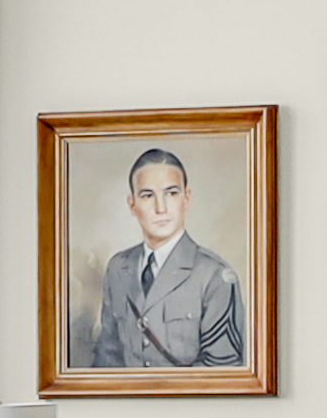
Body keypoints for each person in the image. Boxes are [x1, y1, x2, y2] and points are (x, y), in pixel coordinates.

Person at [83, 146, 247, 368]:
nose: (161, 208)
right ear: (132, 205)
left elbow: (223, 368)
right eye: (148, 195)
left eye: (171, 193)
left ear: (186, 198)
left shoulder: (214, 275)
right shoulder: (119, 268)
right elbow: (108, 356)